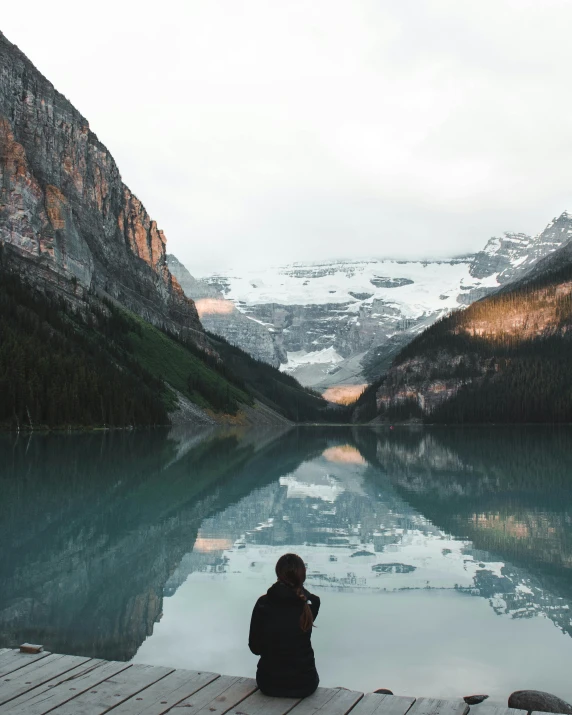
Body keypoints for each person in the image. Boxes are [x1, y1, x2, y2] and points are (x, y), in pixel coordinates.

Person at [248, 553, 321, 698]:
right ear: (303, 575)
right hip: (305, 684)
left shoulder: (263, 604)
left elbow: (255, 648)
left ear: (278, 573)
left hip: (269, 684)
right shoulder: (312, 603)